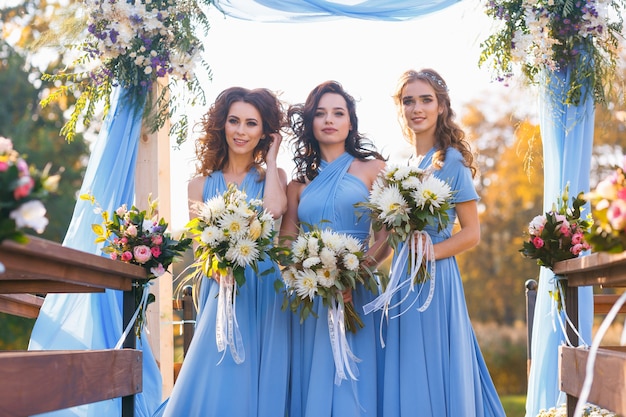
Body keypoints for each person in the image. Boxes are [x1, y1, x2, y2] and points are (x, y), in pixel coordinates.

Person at [153, 86, 290, 417]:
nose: (241, 131)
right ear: (222, 125)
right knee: (216, 367)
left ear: (264, 132)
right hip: (222, 286)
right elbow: (202, 248)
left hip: (265, 289)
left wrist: (271, 160)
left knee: (262, 373)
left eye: (251, 123)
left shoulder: (274, 176)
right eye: (234, 121)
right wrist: (220, 270)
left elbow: (273, 209)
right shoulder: (199, 184)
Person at [377, 68, 506, 417]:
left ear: (441, 107)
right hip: (403, 276)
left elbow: (471, 233)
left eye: (425, 100)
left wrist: (431, 252)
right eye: (408, 101)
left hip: (434, 278)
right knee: (406, 362)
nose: (416, 108)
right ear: (400, 108)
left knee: (432, 362)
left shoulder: (451, 162)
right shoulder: (405, 165)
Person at [279, 80, 390, 417]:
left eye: (338, 113)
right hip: (312, 296)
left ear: (350, 123)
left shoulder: (374, 169)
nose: (329, 120)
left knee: (358, 376)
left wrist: (353, 275)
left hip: (360, 289)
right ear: (311, 123)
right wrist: (309, 275)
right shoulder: (298, 185)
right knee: (316, 375)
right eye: (321, 113)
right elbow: (286, 243)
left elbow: (386, 237)